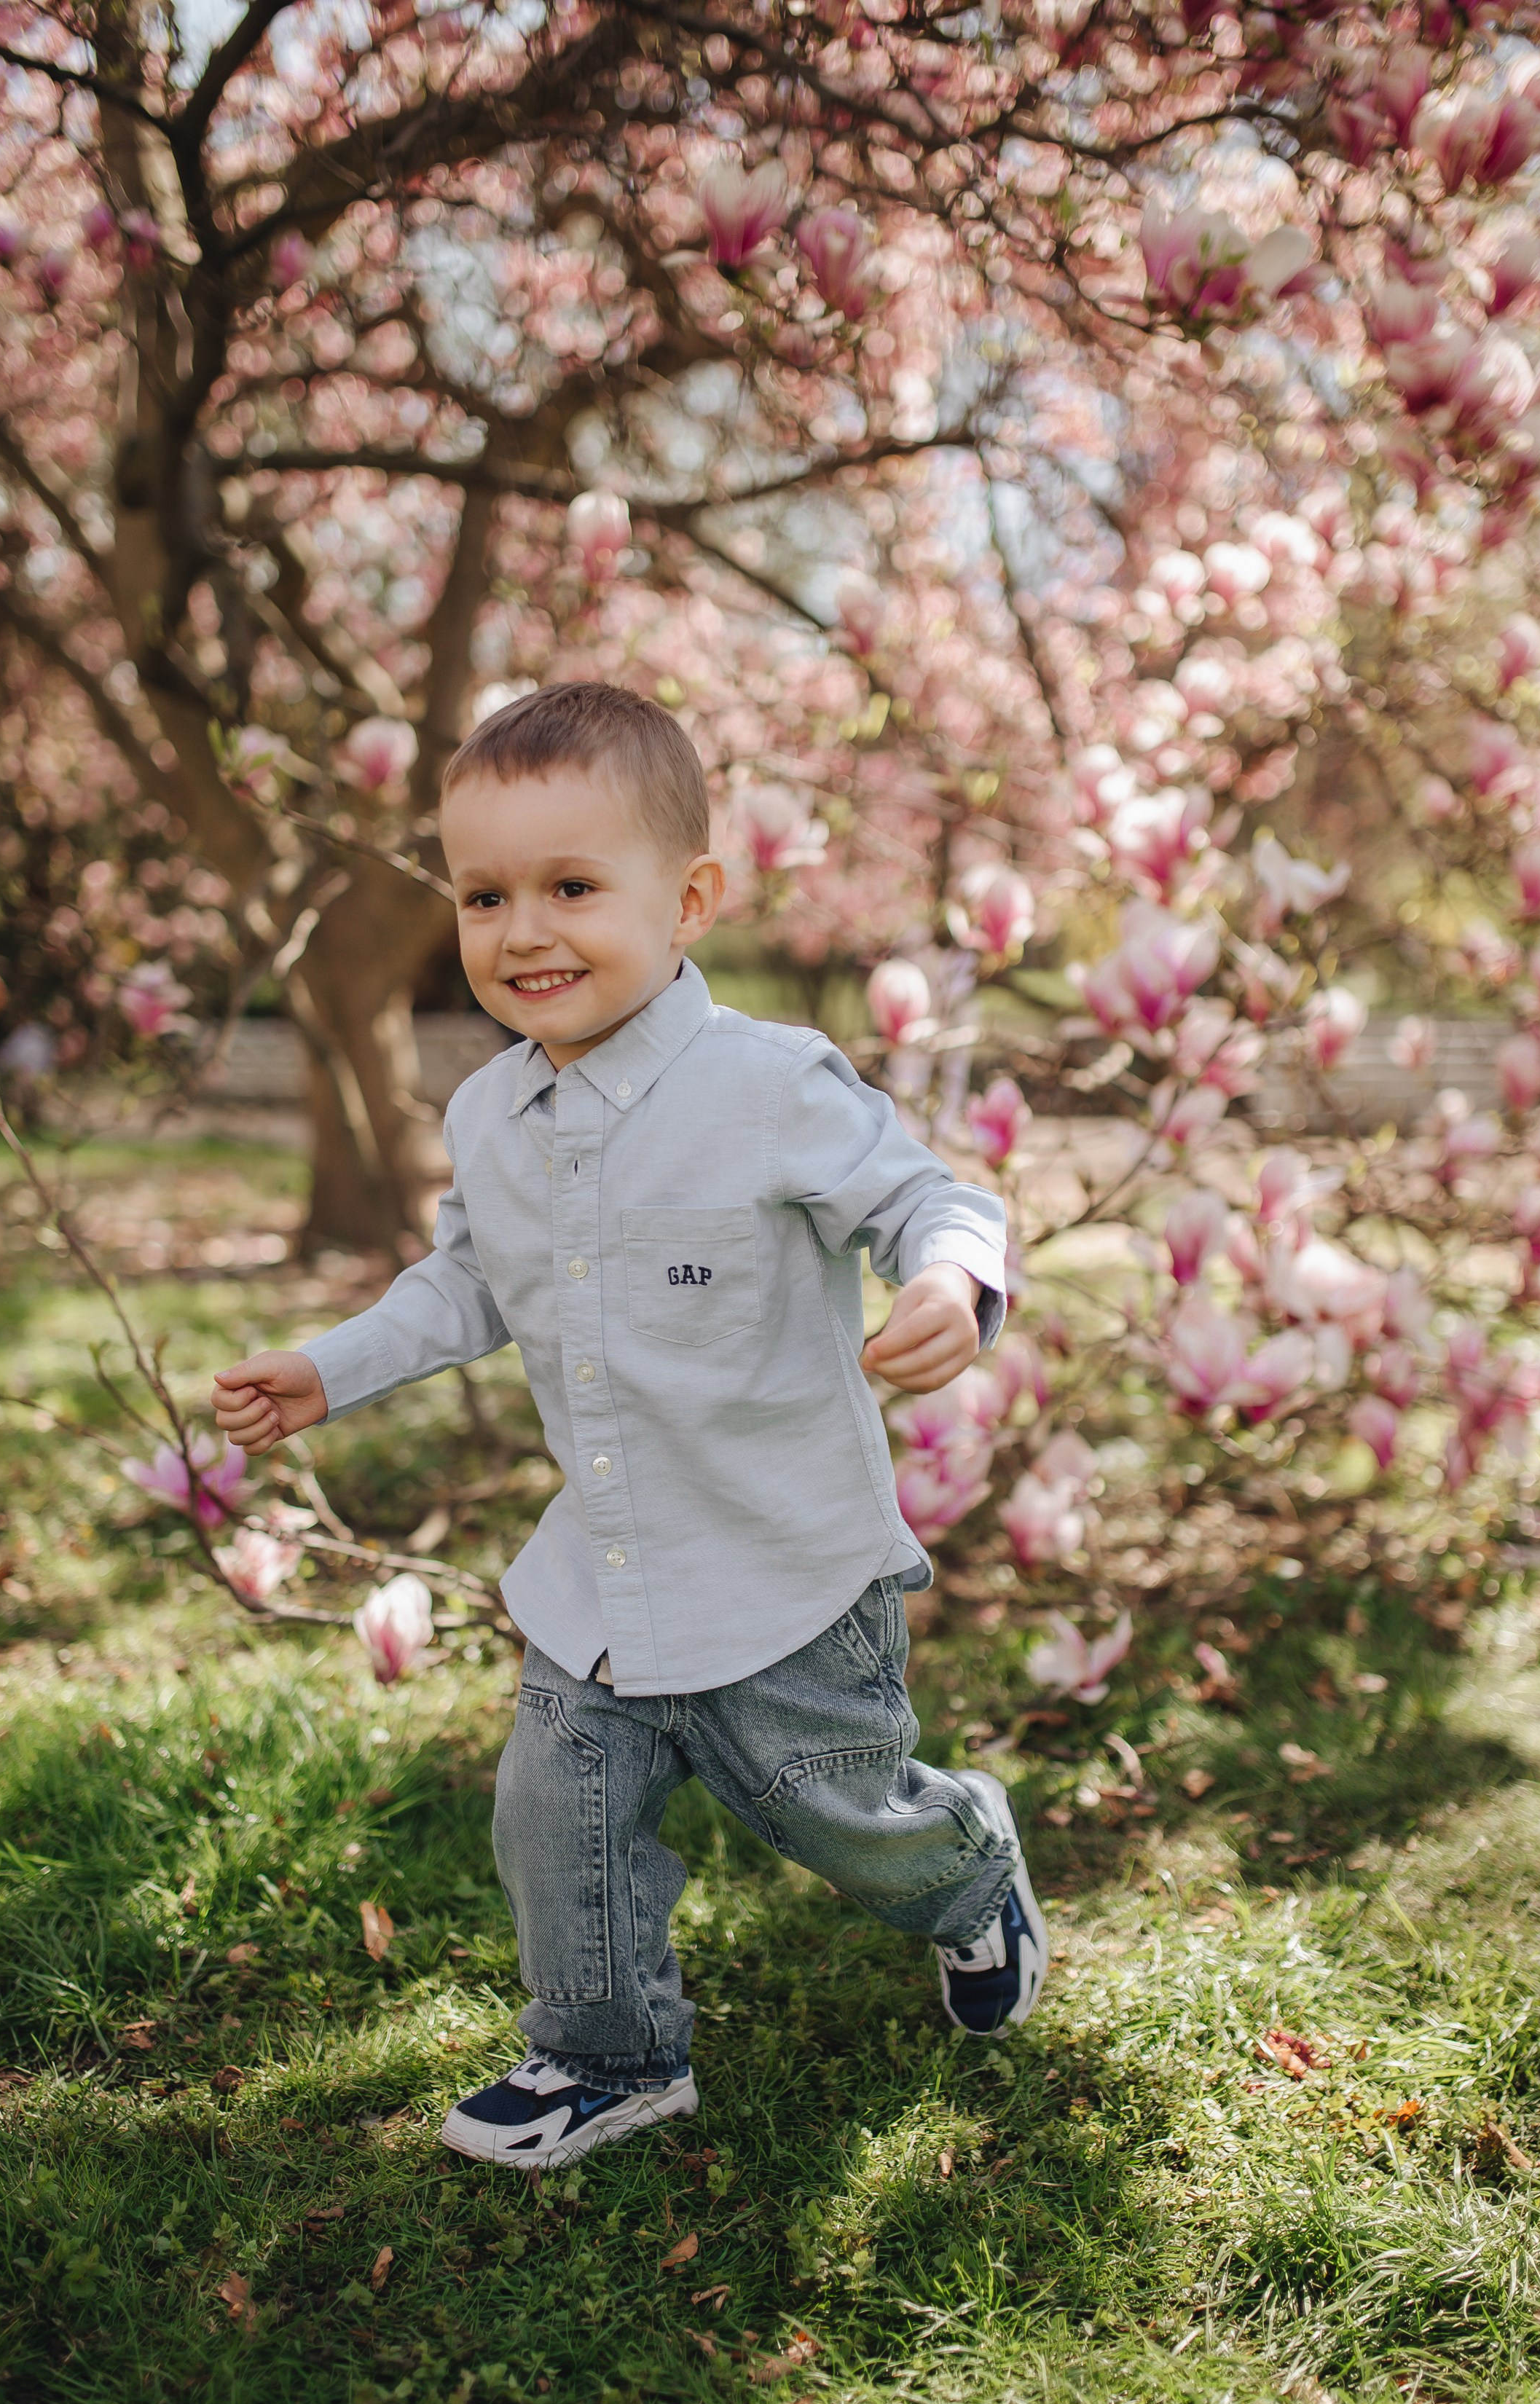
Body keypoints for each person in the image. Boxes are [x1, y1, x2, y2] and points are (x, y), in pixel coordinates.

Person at [211, 682, 1047, 2170]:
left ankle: (966, 1865)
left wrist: (950, 1273)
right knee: (556, 1813)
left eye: (572, 888)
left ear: (691, 898)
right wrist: (331, 1366)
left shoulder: (769, 1083)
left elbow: (934, 1195)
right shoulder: (486, 1114)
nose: (523, 931)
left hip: (784, 1571)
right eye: (484, 896)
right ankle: (607, 2057)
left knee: (835, 1813)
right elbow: (468, 1279)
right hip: (602, 1574)